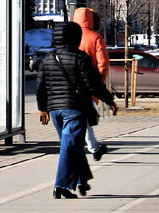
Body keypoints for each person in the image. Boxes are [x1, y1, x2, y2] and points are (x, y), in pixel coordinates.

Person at [36, 23, 117, 199]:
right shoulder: (80, 58)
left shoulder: (48, 59)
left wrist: (43, 109)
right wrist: (109, 100)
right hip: (75, 109)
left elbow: (40, 86)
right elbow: (93, 83)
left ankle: (82, 179)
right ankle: (62, 185)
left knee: (71, 146)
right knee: (70, 147)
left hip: (55, 111)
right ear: (76, 37)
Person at [73, 7, 111, 161]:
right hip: (89, 85)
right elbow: (103, 64)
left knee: (77, 117)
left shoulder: (70, 37)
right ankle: (92, 147)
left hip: (71, 84)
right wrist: (99, 83)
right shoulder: (95, 38)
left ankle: (89, 146)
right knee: (85, 117)